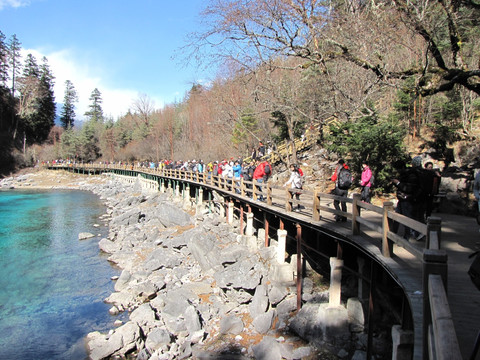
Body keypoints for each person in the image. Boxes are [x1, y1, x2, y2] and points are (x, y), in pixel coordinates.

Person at [391, 158, 423, 240]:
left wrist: (398, 183)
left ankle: (410, 235)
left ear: (402, 167)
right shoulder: (404, 174)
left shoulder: (411, 175)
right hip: (402, 200)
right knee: (396, 218)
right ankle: (391, 236)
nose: (397, 171)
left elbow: (409, 188)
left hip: (408, 200)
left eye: (398, 169)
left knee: (407, 219)